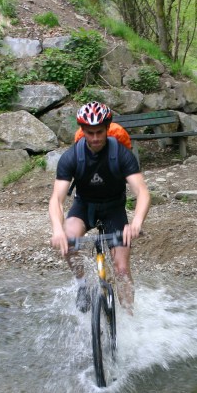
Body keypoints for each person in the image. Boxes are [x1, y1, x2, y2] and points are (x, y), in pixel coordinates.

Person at [49, 101, 150, 314]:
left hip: (114, 209)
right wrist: (57, 230)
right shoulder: (71, 157)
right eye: (90, 132)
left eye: (99, 132)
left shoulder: (122, 154)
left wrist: (136, 223)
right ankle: (82, 284)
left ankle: (129, 316)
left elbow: (142, 192)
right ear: (82, 131)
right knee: (69, 239)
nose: (95, 138)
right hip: (84, 206)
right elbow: (56, 199)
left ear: (107, 128)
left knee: (121, 269)